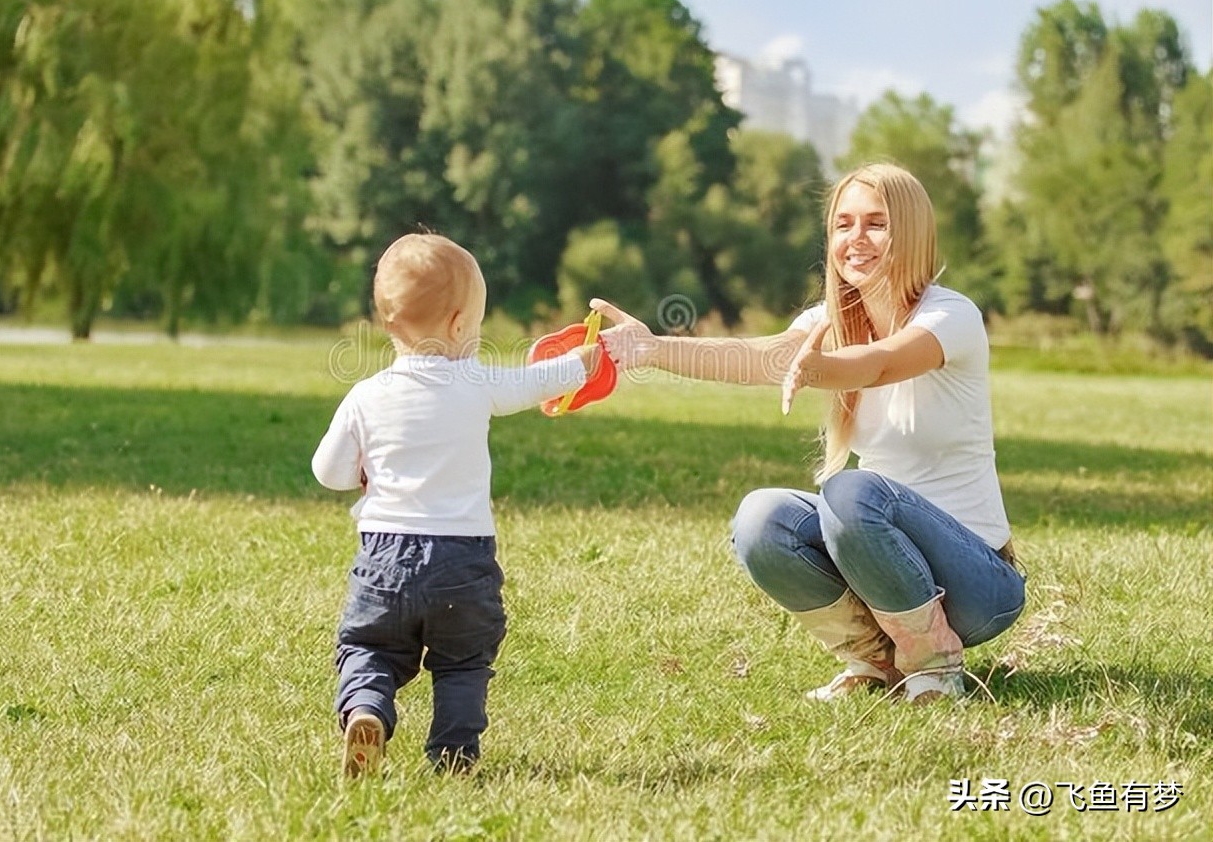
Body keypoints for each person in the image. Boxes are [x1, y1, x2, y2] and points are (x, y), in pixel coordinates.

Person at [591, 161, 1024, 704]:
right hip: (887, 569)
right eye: (843, 224)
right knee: (760, 519)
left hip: (978, 585)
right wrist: (653, 349)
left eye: (876, 223)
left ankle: (934, 662)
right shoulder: (832, 318)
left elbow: (879, 364)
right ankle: (876, 659)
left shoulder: (951, 316)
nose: (856, 238)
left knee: (850, 491)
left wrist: (816, 367)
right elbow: (759, 357)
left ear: (912, 233)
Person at [312, 233, 599, 776]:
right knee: (463, 663)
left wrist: (362, 473)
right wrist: (582, 362)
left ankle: (367, 709)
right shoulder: (475, 383)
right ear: (458, 324)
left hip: (384, 561)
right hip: (463, 564)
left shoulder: (366, 396)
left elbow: (327, 472)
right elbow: (532, 383)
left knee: (369, 647)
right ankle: (453, 754)